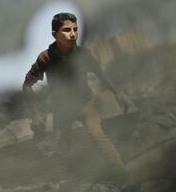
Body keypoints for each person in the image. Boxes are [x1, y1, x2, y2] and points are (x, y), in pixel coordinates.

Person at [22, 13, 132, 187]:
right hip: (62, 111)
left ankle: (126, 182)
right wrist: (35, 114)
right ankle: (77, 184)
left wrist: (117, 93)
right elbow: (27, 84)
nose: (72, 34)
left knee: (99, 138)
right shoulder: (46, 58)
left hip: (83, 105)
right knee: (63, 149)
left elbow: (100, 73)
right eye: (66, 30)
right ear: (55, 34)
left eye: (75, 29)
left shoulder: (82, 54)